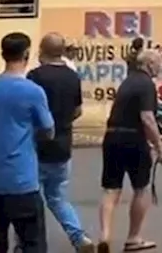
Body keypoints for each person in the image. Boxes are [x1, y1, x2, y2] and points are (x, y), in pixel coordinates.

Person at [0, 32, 54, 253]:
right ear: (27, 54)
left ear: (3, 54)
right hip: (22, 180)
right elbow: (48, 130)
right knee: (32, 242)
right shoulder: (33, 91)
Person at [27, 33, 95, 253]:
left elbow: (28, 109)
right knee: (58, 197)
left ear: (41, 51)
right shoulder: (72, 77)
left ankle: (31, 244)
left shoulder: (35, 76)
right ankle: (78, 237)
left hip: (38, 146)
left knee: (32, 199)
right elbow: (77, 110)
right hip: (63, 145)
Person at [98, 48, 162, 253]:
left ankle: (105, 235)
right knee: (141, 188)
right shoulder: (146, 85)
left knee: (111, 190)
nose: (160, 67)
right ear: (149, 65)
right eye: (157, 63)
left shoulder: (127, 82)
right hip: (133, 138)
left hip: (112, 137)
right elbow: (147, 118)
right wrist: (160, 148)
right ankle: (134, 238)